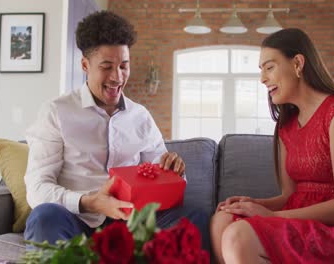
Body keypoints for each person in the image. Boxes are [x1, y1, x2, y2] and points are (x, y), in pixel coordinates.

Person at [24, 10, 209, 251]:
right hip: (78, 219)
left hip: (131, 222)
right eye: (107, 66)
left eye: (123, 66)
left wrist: (172, 171)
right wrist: (90, 202)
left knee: (194, 218)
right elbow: (37, 188)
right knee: (43, 217)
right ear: (85, 65)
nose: (117, 76)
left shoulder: (140, 116)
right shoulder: (56, 112)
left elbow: (161, 179)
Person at [210, 28, 334, 263]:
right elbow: (291, 195)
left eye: (269, 67)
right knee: (223, 218)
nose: (262, 79)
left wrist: (271, 215)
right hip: (296, 218)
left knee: (238, 236)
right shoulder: (286, 125)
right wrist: (252, 204)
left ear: (298, 63)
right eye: (261, 71)